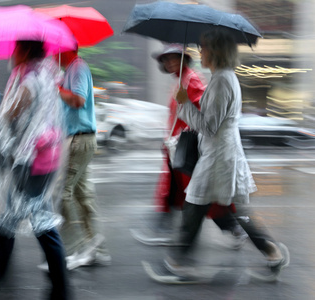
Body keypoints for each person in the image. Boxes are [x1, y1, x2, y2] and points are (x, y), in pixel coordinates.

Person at [166, 29, 289, 274]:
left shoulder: (222, 80)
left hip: (220, 157)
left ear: (216, 51)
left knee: (196, 204)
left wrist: (185, 104)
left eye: (204, 47)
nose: (200, 52)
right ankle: (270, 251)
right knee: (219, 207)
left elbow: (209, 126)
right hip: (219, 154)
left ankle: (178, 261)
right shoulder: (221, 78)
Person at [131, 44, 247, 248]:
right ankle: (168, 230)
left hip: (187, 146)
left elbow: (204, 111)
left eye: (173, 58)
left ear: (184, 59)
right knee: (180, 193)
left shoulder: (191, 79)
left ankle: (230, 230)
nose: (168, 62)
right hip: (177, 146)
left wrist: (183, 127)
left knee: (198, 197)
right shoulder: (181, 80)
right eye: (165, 60)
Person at [0, 40, 70, 299]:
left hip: (32, 162)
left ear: (26, 51)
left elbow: (13, 113)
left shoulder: (30, 80)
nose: (12, 54)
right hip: (44, 159)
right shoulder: (45, 74)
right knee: (15, 221)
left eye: (16, 49)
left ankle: (57, 287)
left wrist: (4, 114)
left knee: (37, 224)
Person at [53, 48, 111, 270]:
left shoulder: (77, 67)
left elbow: (78, 100)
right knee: (83, 196)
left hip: (79, 140)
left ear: (64, 48)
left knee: (61, 193)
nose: (50, 54)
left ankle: (77, 248)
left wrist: (56, 88)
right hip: (78, 139)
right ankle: (96, 249)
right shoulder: (69, 70)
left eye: (53, 49)